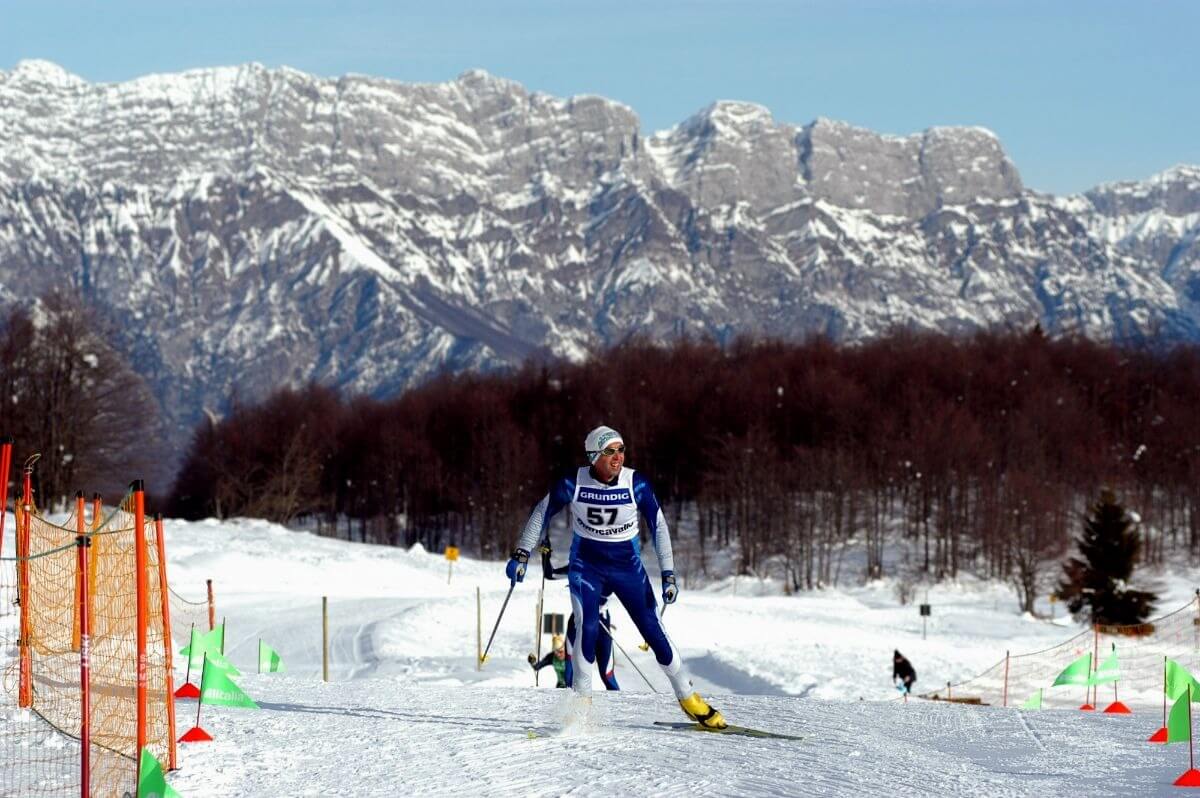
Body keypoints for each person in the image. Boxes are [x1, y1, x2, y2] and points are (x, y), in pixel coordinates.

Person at [506, 425, 725, 728]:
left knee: (653, 630)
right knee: (588, 625)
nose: (618, 457)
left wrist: (669, 573)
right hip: (587, 566)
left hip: (627, 568)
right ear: (594, 455)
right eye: (610, 451)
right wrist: (522, 552)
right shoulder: (574, 482)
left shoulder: (636, 483)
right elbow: (542, 511)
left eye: (621, 450)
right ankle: (582, 704)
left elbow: (659, 527)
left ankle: (688, 697)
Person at [565, 599, 619, 691]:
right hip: (578, 620)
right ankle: (570, 701)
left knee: (607, 674)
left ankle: (618, 703)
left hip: (601, 624)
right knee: (571, 671)